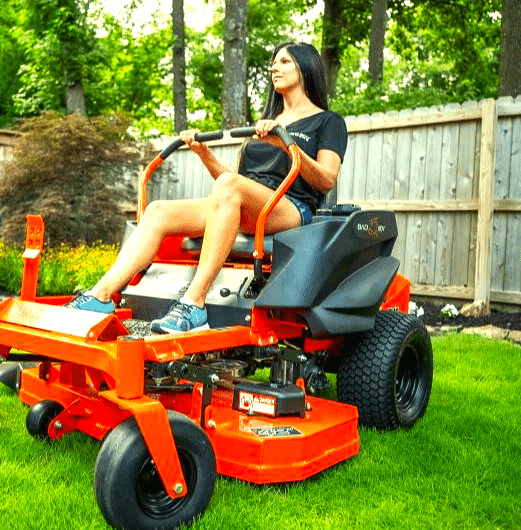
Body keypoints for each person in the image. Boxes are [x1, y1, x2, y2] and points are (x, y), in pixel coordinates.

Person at [65, 41, 348, 334]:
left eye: (285, 62)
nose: (275, 67)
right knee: (158, 211)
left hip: (291, 207)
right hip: (250, 204)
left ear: (306, 68)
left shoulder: (328, 121)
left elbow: (327, 178)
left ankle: (194, 303)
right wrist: (204, 153)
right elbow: (231, 184)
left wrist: (286, 145)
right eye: (274, 63)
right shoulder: (267, 123)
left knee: (229, 186)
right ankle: (99, 297)